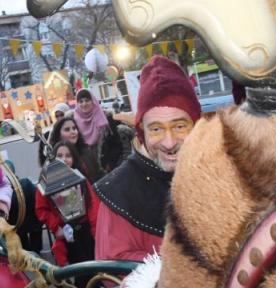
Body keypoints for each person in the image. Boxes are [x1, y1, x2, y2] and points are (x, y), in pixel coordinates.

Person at [94, 55, 201, 262]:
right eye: (156, 129)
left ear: (196, 125)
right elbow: (112, 273)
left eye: (179, 126)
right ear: (142, 132)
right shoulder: (119, 193)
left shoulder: (223, 173)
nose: (169, 143)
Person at [35, 141, 99, 268]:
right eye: (59, 155)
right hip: (66, 234)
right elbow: (41, 209)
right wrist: (56, 228)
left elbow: (93, 206)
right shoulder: (46, 182)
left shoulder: (80, 177)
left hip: (86, 231)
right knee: (77, 272)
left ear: (74, 159)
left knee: (96, 268)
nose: (64, 159)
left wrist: (97, 234)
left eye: (68, 155)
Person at [74, 89, 134, 176]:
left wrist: (111, 165)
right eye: (81, 101)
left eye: (87, 100)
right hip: (87, 172)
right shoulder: (74, 122)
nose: (84, 104)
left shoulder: (106, 118)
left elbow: (117, 144)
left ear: (93, 101)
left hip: (108, 171)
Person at [47, 117, 101, 182]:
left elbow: (99, 174)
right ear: (58, 134)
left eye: (74, 128)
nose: (73, 132)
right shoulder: (54, 158)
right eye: (67, 129)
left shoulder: (86, 151)